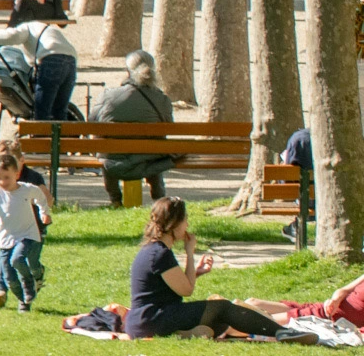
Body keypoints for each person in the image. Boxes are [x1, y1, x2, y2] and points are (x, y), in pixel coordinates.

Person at [125, 198, 314, 342]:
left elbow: (174, 285)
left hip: (146, 321)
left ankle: (184, 334)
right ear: (174, 223)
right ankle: (281, 332)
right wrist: (190, 253)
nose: (187, 225)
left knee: (219, 321)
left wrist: (196, 272)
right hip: (152, 319)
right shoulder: (159, 254)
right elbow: (187, 290)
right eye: (185, 220)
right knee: (221, 307)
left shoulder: (153, 250)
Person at [91, 50, 178, 207]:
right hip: (149, 157)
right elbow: (168, 127)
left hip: (113, 158)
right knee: (154, 148)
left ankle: (115, 200)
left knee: (107, 149)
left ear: (127, 71)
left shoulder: (108, 95)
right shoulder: (161, 99)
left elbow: (92, 122)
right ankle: (158, 197)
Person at [0, 153, 51, 311]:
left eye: (6, 178)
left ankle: (29, 285)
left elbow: (40, 197)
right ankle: (23, 301)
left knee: (17, 259)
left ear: (16, 174)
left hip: (27, 235)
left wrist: (44, 213)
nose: (2, 182)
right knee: (9, 277)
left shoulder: (26, 189)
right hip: (6, 238)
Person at [0, 18, 78, 122]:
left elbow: (12, 35)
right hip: (71, 62)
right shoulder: (49, 31)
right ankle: (62, 132)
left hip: (51, 60)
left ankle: (40, 132)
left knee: (42, 107)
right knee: (59, 109)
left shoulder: (29, 26)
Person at [243, 270, 364, 326]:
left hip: (325, 319)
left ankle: (233, 325)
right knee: (251, 303)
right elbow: (345, 290)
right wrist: (335, 299)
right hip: (323, 308)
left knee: (254, 321)